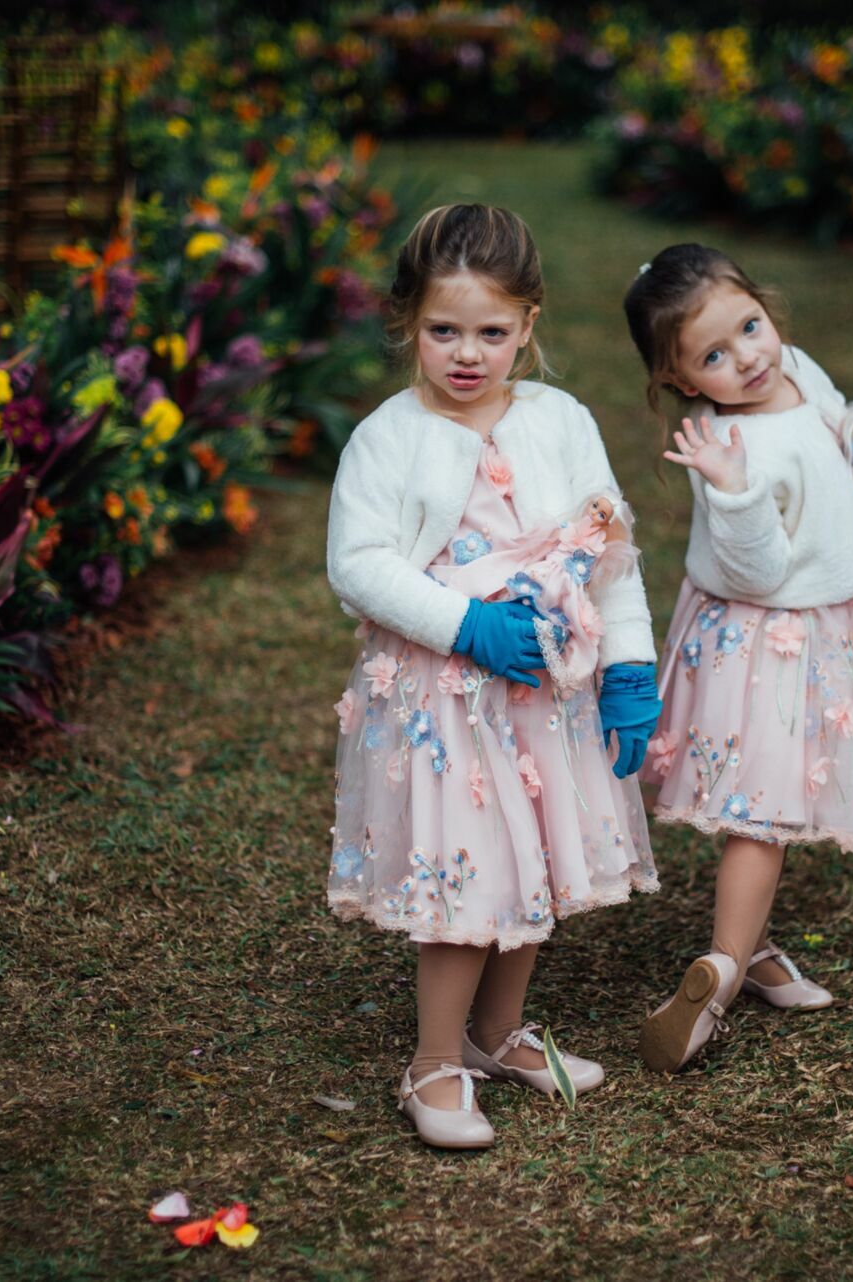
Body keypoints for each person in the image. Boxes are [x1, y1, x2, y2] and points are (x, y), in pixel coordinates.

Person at [325, 204, 663, 1147]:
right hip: (447, 695)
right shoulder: (387, 438)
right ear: (408, 326)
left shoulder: (562, 422)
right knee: (468, 870)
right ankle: (433, 1060)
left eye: (491, 332)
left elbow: (608, 549)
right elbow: (358, 562)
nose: (466, 354)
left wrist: (629, 666)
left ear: (529, 326)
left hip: (547, 690)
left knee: (538, 861)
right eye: (443, 331)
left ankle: (496, 1034)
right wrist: (466, 623)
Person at [622, 243, 853, 1073]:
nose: (747, 357)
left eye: (751, 327)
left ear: (765, 308)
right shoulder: (733, 450)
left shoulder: (791, 370)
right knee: (765, 813)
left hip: (815, 625)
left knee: (768, 795)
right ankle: (716, 974)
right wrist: (733, 491)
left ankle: (749, 949)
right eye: (714, 355)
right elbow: (757, 567)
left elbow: (830, 416)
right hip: (771, 638)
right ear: (681, 382)